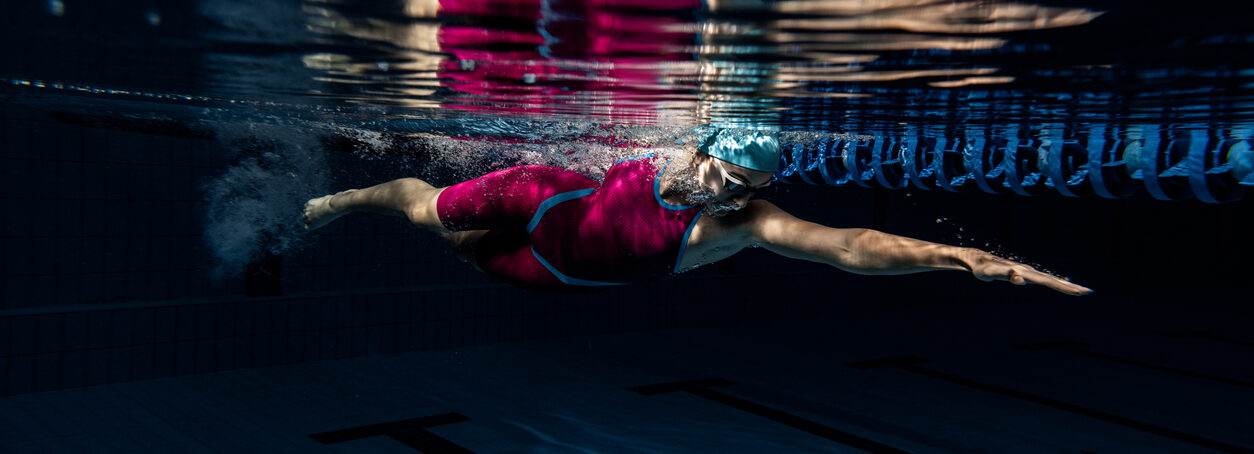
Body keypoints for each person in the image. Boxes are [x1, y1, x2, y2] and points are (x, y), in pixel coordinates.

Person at [302, 129, 1092, 295]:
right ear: (704, 149)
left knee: (468, 252)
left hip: (553, 267)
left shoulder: (745, 224)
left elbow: (849, 243)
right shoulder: (673, 144)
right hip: (548, 193)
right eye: (726, 176)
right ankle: (337, 201)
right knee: (424, 214)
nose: (728, 197)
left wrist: (958, 258)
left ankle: (467, 243)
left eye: (744, 190)